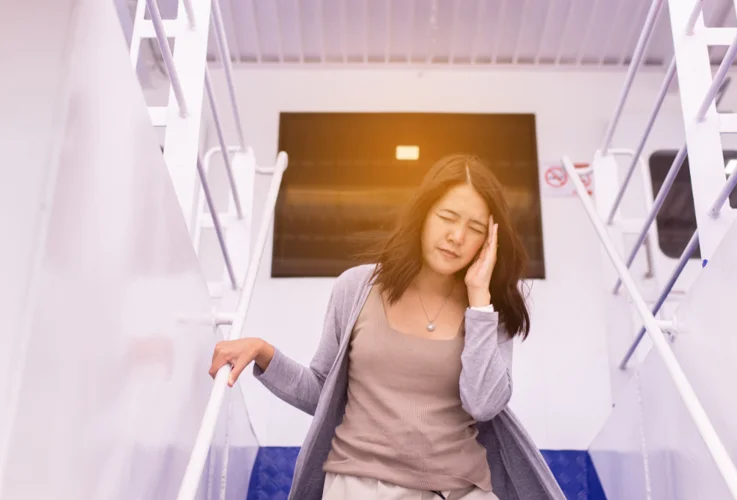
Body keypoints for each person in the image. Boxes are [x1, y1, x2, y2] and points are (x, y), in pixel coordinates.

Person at [209, 154, 565, 500]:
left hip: (463, 490)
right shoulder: (357, 288)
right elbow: (323, 393)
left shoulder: (488, 310)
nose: (457, 236)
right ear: (424, 214)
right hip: (361, 485)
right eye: (447, 217)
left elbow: (484, 404)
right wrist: (263, 352)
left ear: (489, 241)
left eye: (474, 228)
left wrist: (479, 298)